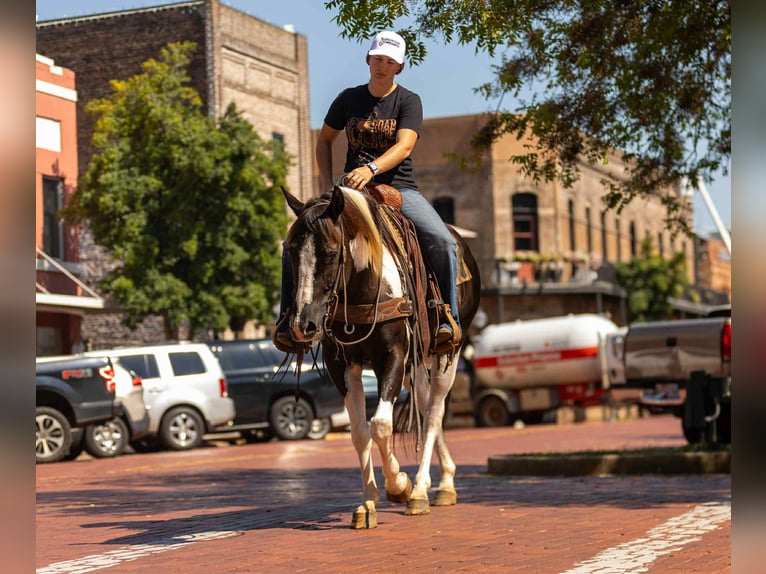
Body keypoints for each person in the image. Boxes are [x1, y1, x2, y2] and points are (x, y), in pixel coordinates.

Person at [275, 30, 461, 353]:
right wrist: (326, 187)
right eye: (377, 60)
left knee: (444, 242)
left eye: (389, 62)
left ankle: (447, 318)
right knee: (299, 239)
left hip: (398, 189)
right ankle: (286, 321)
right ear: (368, 60)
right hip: (350, 193)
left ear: (399, 67)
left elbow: (404, 146)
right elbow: (324, 141)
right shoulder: (349, 99)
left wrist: (371, 169)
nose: (382, 66)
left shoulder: (408, 101)